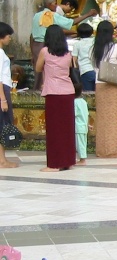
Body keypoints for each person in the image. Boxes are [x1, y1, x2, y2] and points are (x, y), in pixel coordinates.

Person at [30, 0, 95, 90]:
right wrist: (88, 14)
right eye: (54, 4)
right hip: (45, 44)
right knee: (48, 69)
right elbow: (71, 22)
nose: (56, 6)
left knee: (39, 71)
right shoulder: (50, 15)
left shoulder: (36, 15)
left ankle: (38, 89)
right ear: (49, 5)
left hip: (36, 45)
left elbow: (32, 34)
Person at [35, 25, 75, 172]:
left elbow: (38, 68)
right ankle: (67, 161)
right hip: (67, 92)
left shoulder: (45, 52)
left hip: (53, 92)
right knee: (67, 129)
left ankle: (55, 163)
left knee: (54, 129)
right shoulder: (68, 54)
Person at [92, 20, 117, 158]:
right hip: (113, 85)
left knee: (102, 119)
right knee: (114, 119)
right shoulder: (115, 48)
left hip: (99, 84)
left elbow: (94, 66)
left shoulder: (94, 49)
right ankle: (114, 151)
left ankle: (101, 150)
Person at [0, 22, 18, 168]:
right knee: (3, 124)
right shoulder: (0, 53)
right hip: (2, 89)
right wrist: (3, 99)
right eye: (8, 36)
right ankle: (2, 160)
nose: (10, 39)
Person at [71, 23, 96, 91]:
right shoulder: (95, 41)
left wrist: (75, 70)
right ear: (91, 32)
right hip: (97, 70)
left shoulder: (77, 44)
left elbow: (74, 60)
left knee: (88, 94)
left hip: (85, 71)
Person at [73, 79, 89, 166]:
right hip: (84, 125)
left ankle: (82, 160)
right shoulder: (83, 102)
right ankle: (80, 158)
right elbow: (85, 114)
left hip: (78, 126)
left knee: (80, 144)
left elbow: (74, 114)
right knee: (82, 143)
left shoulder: (74, 102)